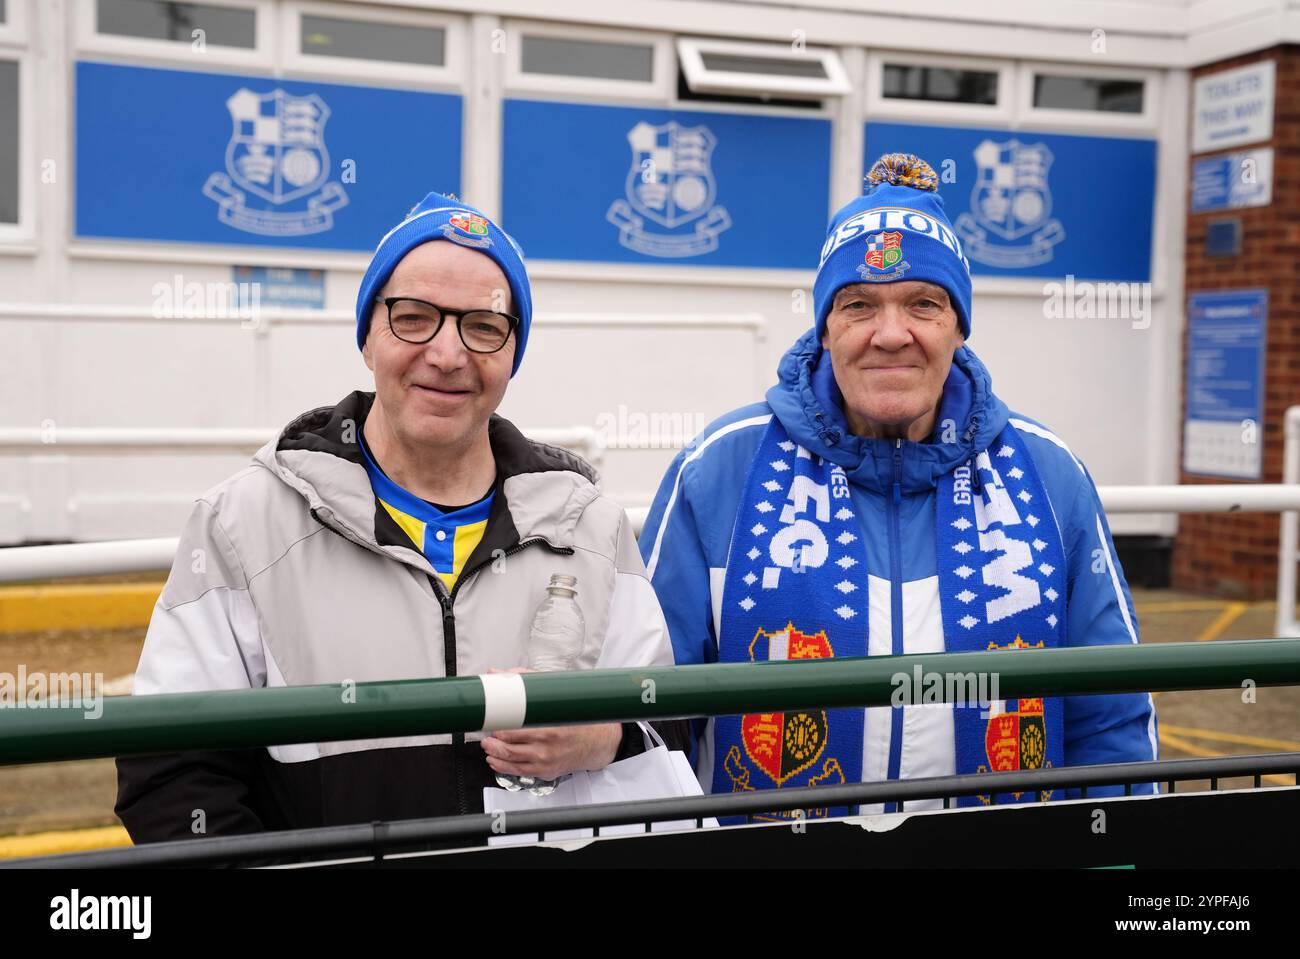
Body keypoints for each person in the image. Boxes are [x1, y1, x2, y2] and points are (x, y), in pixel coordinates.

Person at [117, 193, 684, 842]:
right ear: (367, 335)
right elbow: (171, 770)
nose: (447, 353)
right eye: (413, 318)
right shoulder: (243, 523)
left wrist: (601, 738)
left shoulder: (592, 527)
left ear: (512, 352)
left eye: (483, 325)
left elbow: (664, 721)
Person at [640, 154, 1158, 819]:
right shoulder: (716, 470)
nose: (892, 334)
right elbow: (646, 712)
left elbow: (1112, 718)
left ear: (958, 326)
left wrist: (1113, 858)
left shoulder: (1050, 474)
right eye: (859, 305)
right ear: (825, 327)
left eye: (923, 303)